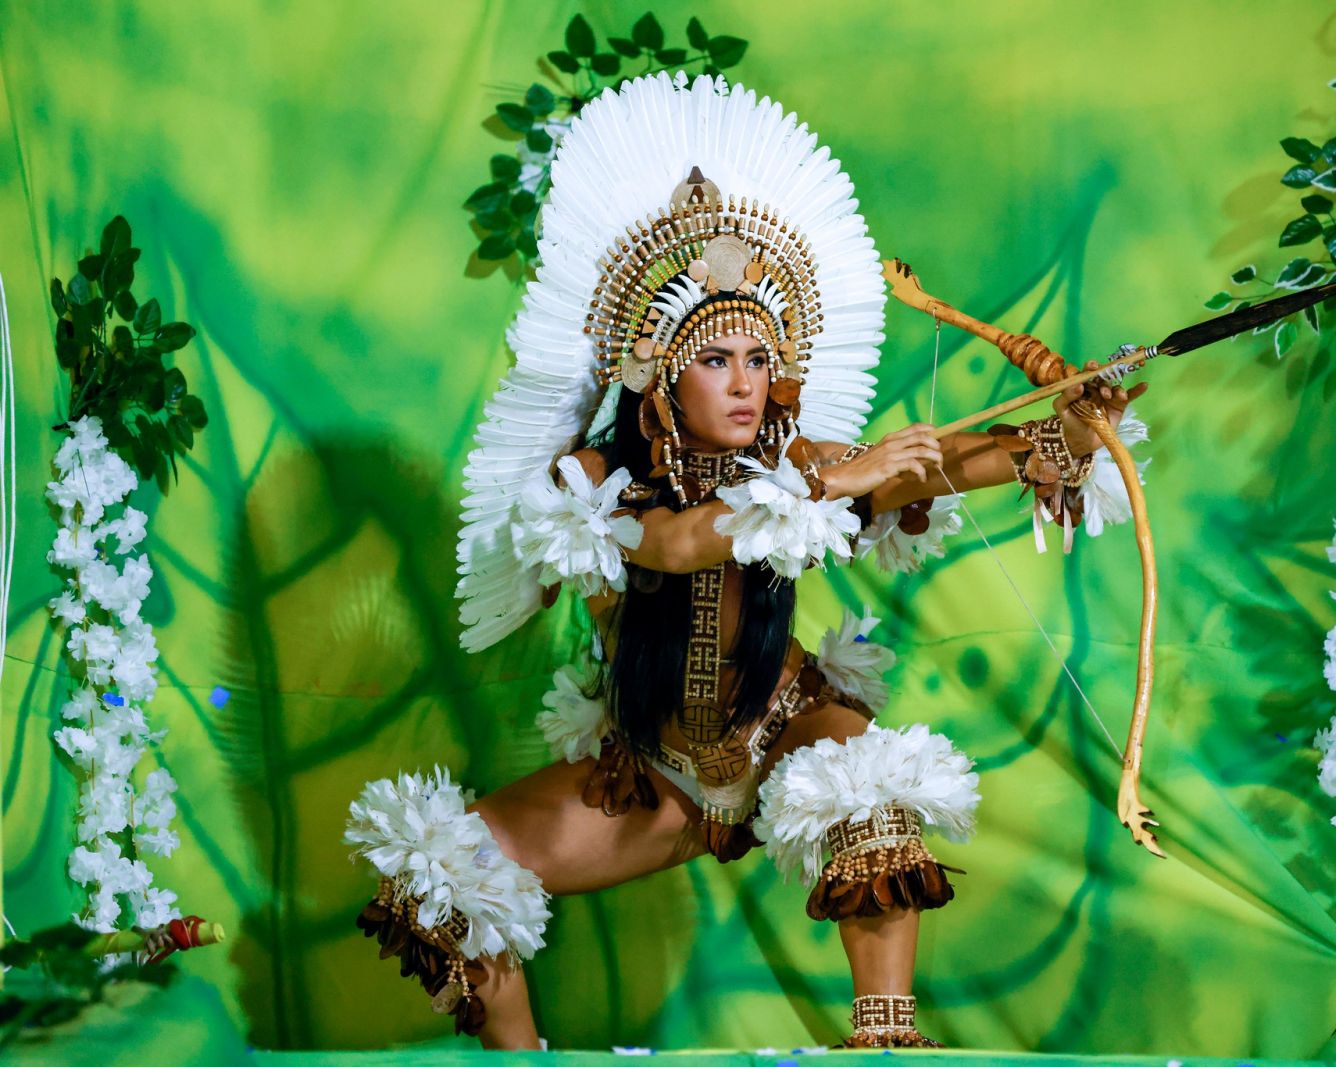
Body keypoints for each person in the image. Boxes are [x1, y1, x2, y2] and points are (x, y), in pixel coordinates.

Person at [344, 73, 1143, 1051]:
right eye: (716, 359)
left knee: (866, 791)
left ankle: (886, 1041)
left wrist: (1055, 438)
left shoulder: (792, 460)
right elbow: (679, 541)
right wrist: (834, 484)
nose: (744, 382)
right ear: (661, 371)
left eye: (759, 360)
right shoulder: (595, 474)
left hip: (782, 728)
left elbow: (939, 463)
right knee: (441, 875)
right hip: (653, 770)